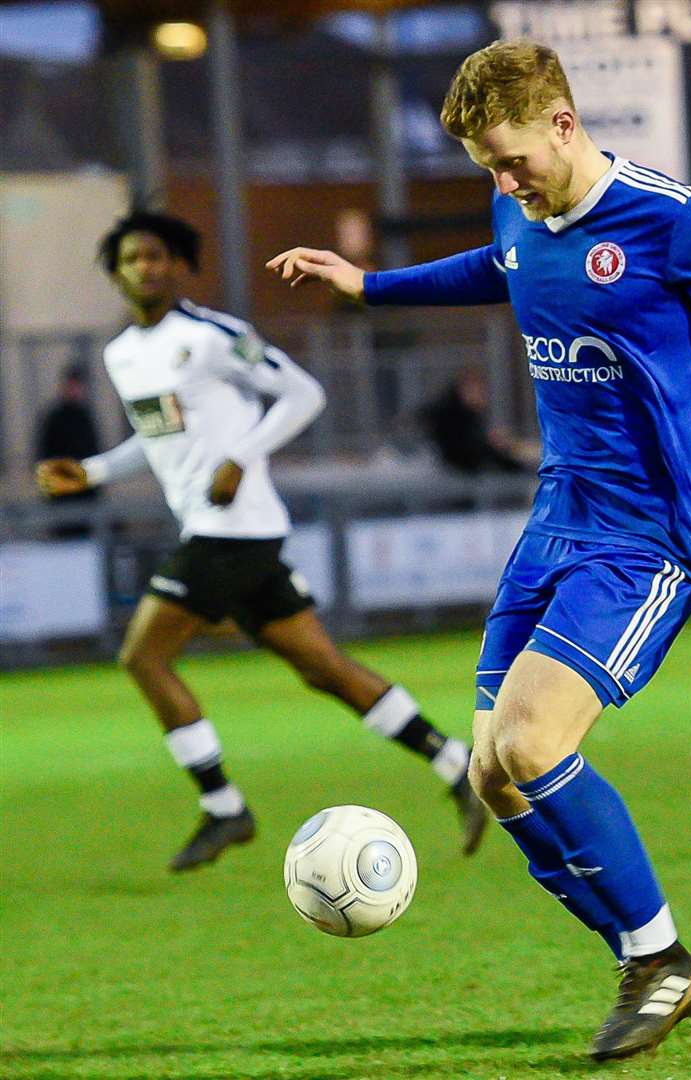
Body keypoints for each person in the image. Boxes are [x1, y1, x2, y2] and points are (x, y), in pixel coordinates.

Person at [268, 40, 691, 1061]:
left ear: (563, 125)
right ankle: (644, 953)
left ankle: (658, 959)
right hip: (555, 520)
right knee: (493, 774)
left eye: (510, 158)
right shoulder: (515, 210)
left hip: (651, 533)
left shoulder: (680, 223)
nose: (501, 181)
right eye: (488, 166)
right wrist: (371, 285)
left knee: (530, 745)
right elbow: (502, 266)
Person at [36, 209, 487, 871]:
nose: (146, 268)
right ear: (116, 272)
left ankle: (224, 808)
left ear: (180, 265)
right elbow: (158, 436)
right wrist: (95, 471)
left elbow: (304, 393)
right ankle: (455, 764)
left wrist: (241, 457)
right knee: (323, 668)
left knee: (143, 656)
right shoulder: (121, 354)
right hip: (215, 529)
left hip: (236, 528)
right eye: (133, 258)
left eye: (159, 256)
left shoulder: (213, 336)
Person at [418, 365, 529, 476]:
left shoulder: (464, 415)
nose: (483, 396)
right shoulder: (452, 417)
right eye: (478, 390)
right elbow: (469, 452)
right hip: (453, 475)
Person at [35, 365, 102, 536]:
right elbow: (46, 457)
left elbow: (92, 453)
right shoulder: (54, 418)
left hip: (85, 495)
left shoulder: (84, 417)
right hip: (62, 495)